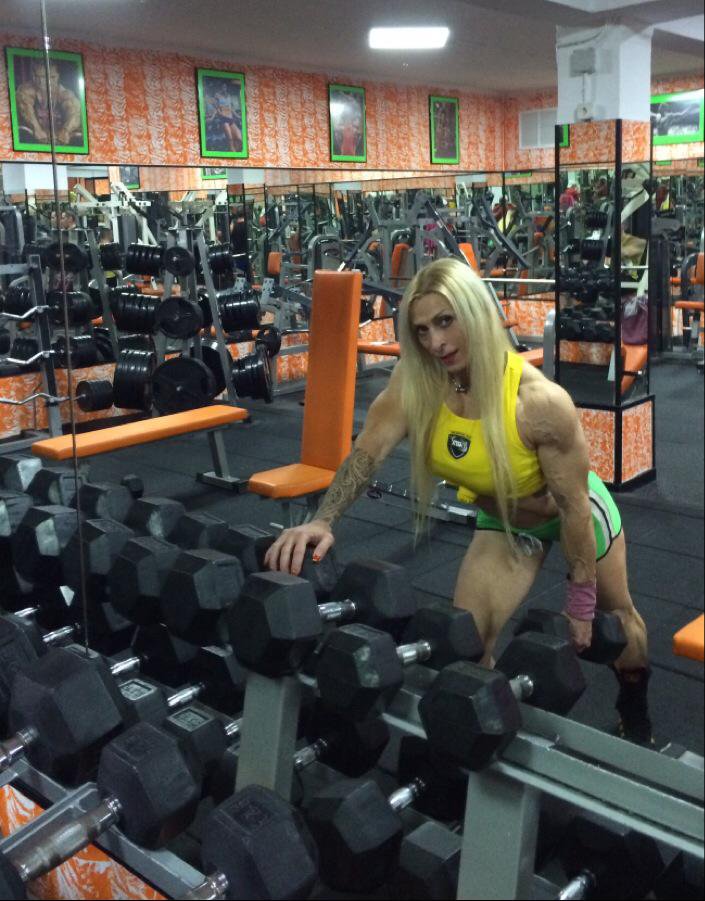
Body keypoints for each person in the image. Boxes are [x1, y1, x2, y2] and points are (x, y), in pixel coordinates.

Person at [265, 257, 654, 745]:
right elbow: (368, 452)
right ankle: (483, 745)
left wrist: (580, 601)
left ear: (475, 313)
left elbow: (574, 506)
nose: (436, 342)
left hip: (575, 515)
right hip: (505, 521)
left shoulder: (537, 402)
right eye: (422, 329)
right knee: (467, 640)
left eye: (446, 321)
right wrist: (323, 519)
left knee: (619, 625)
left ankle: (635, 705)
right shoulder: (415, 383)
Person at [15, 60, 82, 147]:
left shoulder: (65, 93)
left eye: (48, 77)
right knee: (21, 132)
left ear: (56, 77)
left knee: (79, 136)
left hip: (60, 137)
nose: (41, 82)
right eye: (38, 77)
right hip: (32, 136)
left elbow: (75, 113)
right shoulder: (26, 91)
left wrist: (66, 130)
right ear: (33, 76)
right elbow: (25, 108)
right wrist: (37, 129)